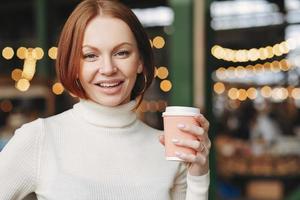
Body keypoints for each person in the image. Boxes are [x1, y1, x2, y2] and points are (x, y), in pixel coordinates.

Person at [0, 0, 211, 199]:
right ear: (74, 66)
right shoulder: (40, 139)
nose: (108, 69)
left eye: (122, 53)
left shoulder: (168, 149)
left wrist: (199, 177)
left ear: (140, 62)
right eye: (90, 55)